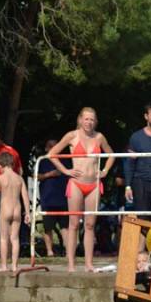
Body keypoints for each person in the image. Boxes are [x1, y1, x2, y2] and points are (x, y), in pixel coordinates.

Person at [48, 107, 115, 272]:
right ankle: (71, 264)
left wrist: (105, 171)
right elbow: (52, 154)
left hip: (93, 184)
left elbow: (111, 154)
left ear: (95, 121)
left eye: (92, 119)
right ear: (80, 120)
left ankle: (88, 264)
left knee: (90, 224)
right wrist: (66, 171)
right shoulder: (72, 135)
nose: (89, 122)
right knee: (73, 224)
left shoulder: (99, 137)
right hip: (76, 183)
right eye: (86, 119)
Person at [0, 152, 30, 272]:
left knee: (3, 238)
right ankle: (14, 265)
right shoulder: (19, 178)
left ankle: (4, 266)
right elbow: (25, 196)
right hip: (17, 210)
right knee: (15, 238)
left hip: (5, 210)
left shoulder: (0, 178)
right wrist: (27, 213)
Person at [0, 129, 23, 258]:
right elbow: (21, 170)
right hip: (15, 192)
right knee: (14, 228)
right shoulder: (13, 151)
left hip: (1, 190)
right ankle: (11, 254)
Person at [37, 138, 69, 257]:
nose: (53, 148)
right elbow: (37, 176)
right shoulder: (42, 161)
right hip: (47, 199)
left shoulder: (65, 160)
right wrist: (50, 174)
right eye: (50, 146)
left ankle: (68, 251)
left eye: (56, 146)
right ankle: (50, 251)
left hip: (63, 199)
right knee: (48, 227)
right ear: (46, 148)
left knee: (65, 227)